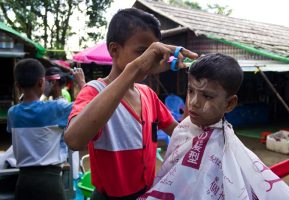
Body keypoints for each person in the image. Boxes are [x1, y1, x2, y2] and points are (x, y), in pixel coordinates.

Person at [64, 8, 198, 200]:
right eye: (142, 52)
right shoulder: (94, 91)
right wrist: (134, 70)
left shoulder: (147, 94)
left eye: (153, 53)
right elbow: (74, 140)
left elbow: (180, 133)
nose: (148, 60)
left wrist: (194, 88)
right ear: (114, 50)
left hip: (146, 193)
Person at [139, 53, 289, 199]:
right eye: (191, 91)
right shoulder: (183, 128)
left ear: (229, 103)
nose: (193, 102)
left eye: (206, 96)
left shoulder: (225, 147)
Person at [6, 59, 72, 200]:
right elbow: (85, 105)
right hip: (50, 183)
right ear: (42, 83)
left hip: (23, 182)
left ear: (17, 86)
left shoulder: (12, 113)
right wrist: (81, 83)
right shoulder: (55, 108)